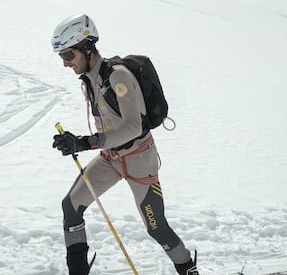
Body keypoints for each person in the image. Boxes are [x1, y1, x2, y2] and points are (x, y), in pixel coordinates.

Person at [51, 14, 199, 275]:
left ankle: (188, 269)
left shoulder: (117, 77)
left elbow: (133, 127)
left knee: (156, 227)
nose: (65, 64)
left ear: (86, 47)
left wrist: (86, 143)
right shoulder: (90, 79)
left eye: (68, 55)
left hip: (139, 160)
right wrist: (73, 141)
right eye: (62, 57)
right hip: (111, 158)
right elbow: (108, 126)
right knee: (71, 207)